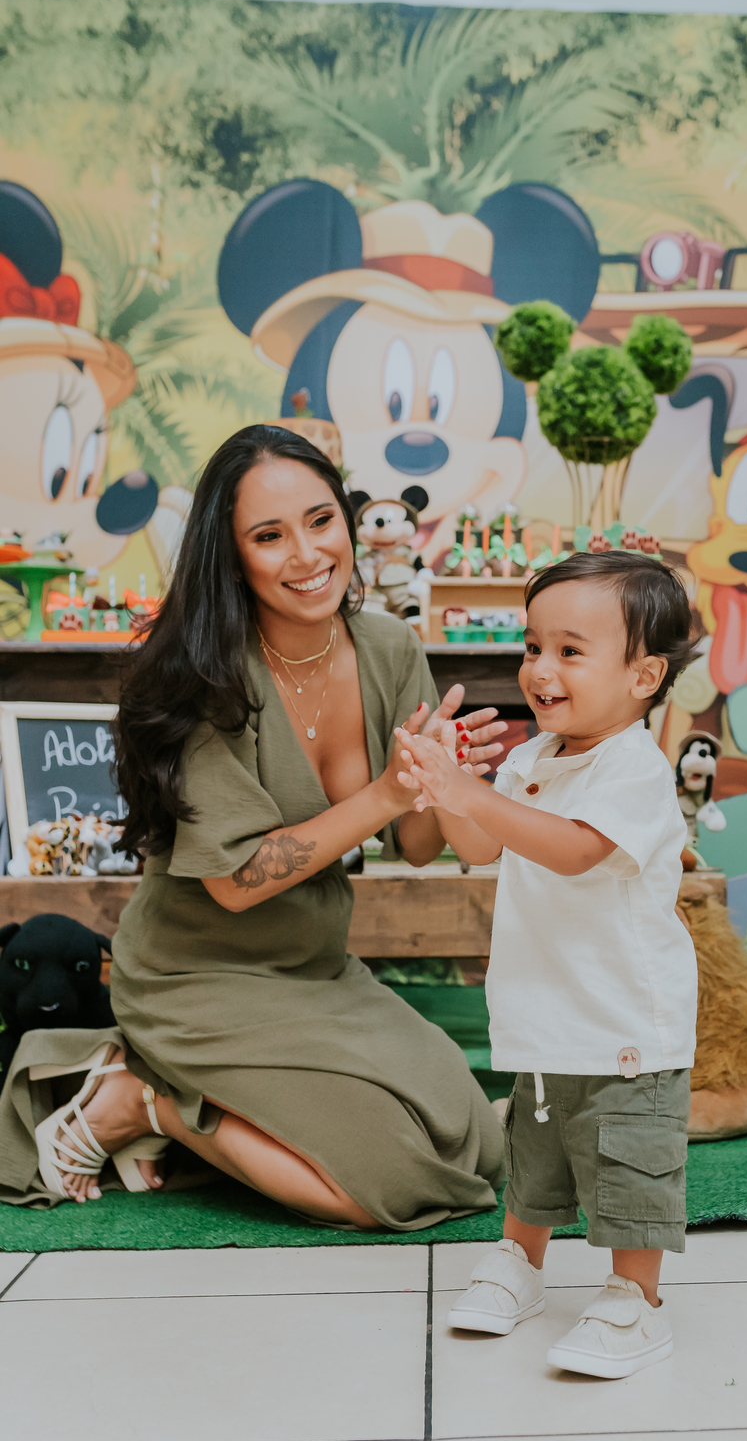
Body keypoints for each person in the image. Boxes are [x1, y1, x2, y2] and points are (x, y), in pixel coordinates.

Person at [0, 423, 505, 1230]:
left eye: (320, 520)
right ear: (230, 555)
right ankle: (144, 1105)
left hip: (313, 971)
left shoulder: (389, 646)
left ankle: (173, 1103)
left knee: (474, 1145)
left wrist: (443, 780)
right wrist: (383, 792)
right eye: (269, 536)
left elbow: (420, 845)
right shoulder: (200, 675)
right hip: (193, 980)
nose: (306, 555)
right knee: (396, 1183)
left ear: (347, 520)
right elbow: (237, 884)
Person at [400, 550, 698, 1378]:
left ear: (644, 675)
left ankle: (638, 1299)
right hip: (544, 1013)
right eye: (534, 647)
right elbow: (479, 843)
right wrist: (442, 783)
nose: (541, 668)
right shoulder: (533, 760)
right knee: (536, 1155)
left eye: (570, 650)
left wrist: (472, 792)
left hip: (626, 1023)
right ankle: (521, 1261)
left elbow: (574, 850)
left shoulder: (635, 767)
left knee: (628, 1161)